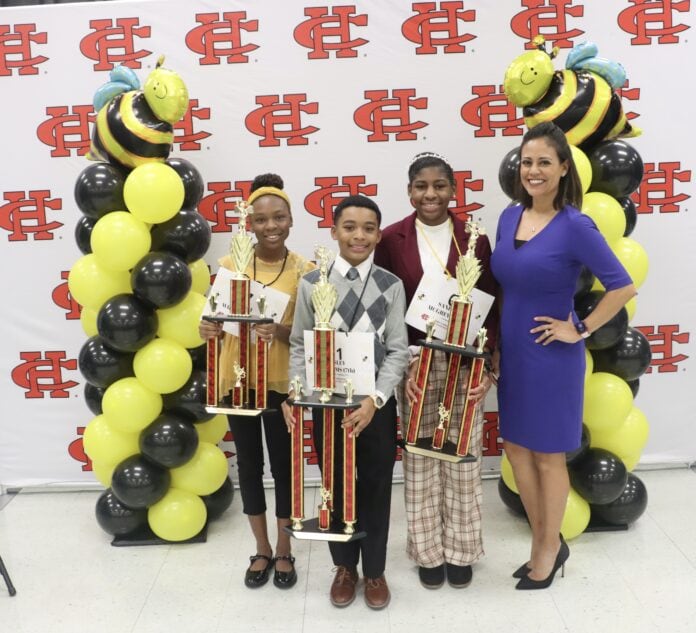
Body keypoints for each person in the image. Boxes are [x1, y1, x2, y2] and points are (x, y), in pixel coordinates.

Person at [490, 122, 635, 590]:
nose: (534, 171)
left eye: (544, 162)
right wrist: (493, 345)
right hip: (511, 353)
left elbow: (622, 286)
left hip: (552, 358)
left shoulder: (576, 224)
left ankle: (547, 549)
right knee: (515, 448)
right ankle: (545, 539)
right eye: (527, 161)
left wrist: (580, 328)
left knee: (549, 456)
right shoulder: (509, 217)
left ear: (562, 168)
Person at [374, 152, 499, 590]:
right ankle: (427, 551)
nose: (431, 194)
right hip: (415, 362)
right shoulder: (392, 239)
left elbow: (491, 303)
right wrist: (399, 364)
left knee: (464, 457)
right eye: (421, 186)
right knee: (420, 457)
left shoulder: (473, 237)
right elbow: (387, 309)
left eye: (439, 186)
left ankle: (462, 548)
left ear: (453, 189)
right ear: (409, 191)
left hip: (465, 360)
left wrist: (487, 366)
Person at [282, 195, 409, 610]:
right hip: (326, 407)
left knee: (374, 486)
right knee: (335, 486)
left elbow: (397, 352)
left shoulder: (391, 285)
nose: (359, 235)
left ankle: (374, 570)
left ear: (378, 234)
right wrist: (297, 393)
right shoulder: (311, 283)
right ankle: (344, 567)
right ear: (334, 231)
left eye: (369, 228)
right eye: (350, 227)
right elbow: (300, 344)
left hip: (374, 406)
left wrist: (375, 399)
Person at [199, 174, 314, 590]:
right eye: (261, 219)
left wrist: (278, 332)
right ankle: (261, 548)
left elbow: (309, 336)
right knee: (249, 465)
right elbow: (209, 324)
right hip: (238, 380)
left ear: (290, 220)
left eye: (278, 217)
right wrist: (207, 329)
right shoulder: (231, 266)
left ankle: (285, 549)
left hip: (282, 383)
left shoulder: (306, 270)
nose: (270, 226)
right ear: (250, 224)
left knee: (284, 467)